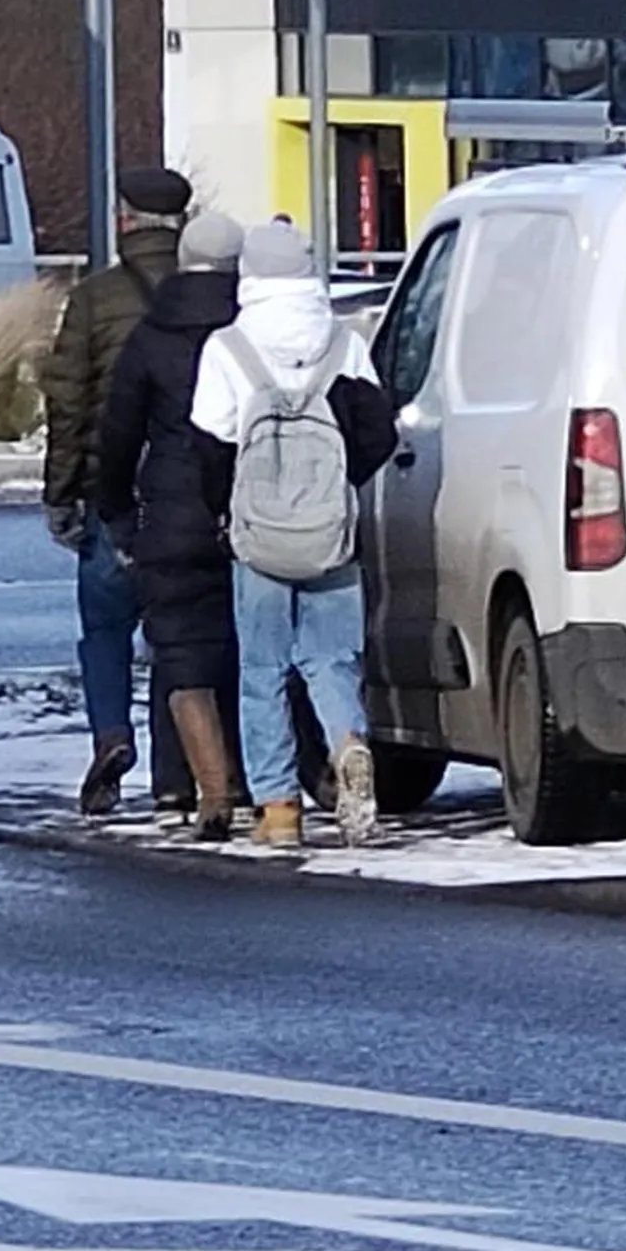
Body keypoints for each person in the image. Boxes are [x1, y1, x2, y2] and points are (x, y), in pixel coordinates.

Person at [189, 221, 394, 850]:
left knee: (262, 670)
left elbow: (209, 444)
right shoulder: (343, 342)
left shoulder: (228, 347)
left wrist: (227, 513)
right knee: (333, 660)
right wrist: (338, 490)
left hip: (259, 536)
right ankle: (348, 743)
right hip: (330, 532)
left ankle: (278, 810)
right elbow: (378, 433)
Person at [40, 164, 192, 817]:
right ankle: (175, 773)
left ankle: (110, 735)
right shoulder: (210, 294)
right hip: (189, 491)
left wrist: (61, 490)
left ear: (124, 219)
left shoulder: (93, 299)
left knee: (105, 627)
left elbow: (68, 402)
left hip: (113, 489)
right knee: (178, 635)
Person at [95, 211, 246, 842]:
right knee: (244, 646)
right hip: (248, 505)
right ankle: (247, 778)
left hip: (171, 509)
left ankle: (177, 786)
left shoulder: (152, 336)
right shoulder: (251, 328)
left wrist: (117, 510)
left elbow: (119, 433)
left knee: (178, 651)